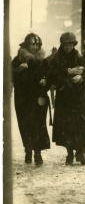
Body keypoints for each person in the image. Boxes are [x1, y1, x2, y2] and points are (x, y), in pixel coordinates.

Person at [48, 32, 85, 165]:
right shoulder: (56, 59)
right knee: (66, 127)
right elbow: (52, 75)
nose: (68, 47)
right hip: (64, 98)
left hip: (78, 99)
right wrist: (68, 72)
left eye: (70, 44)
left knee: (80, 125)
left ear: (74, 45)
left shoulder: (79, 57)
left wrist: (82, 77)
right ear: (62, 45)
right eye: (66, 45)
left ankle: (79, 153)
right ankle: (70, 154)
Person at [11, 33, 50, 165]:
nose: (35, 47)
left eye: (37, 44)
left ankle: (37, 153)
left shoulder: (43, 61)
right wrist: (18, 70)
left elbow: (49, 75)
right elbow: (8, 75)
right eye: (32, 44)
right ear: (27, 45)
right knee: (25, 124)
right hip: (23, 98)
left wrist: (46, 81)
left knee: (39, 125)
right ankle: (28, 149)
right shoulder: (18, 60)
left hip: (39, 97)